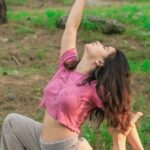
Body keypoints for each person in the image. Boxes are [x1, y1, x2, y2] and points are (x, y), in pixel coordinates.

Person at [0, 0, 144, 150]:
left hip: (68, 147)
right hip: (41, 141)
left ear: (101, 62)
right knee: (12, 123)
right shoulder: (66, 65)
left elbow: (123, 117)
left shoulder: (95, 88)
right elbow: (71, 26)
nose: (99, 42)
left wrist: (139, 148)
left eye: (105, 47)